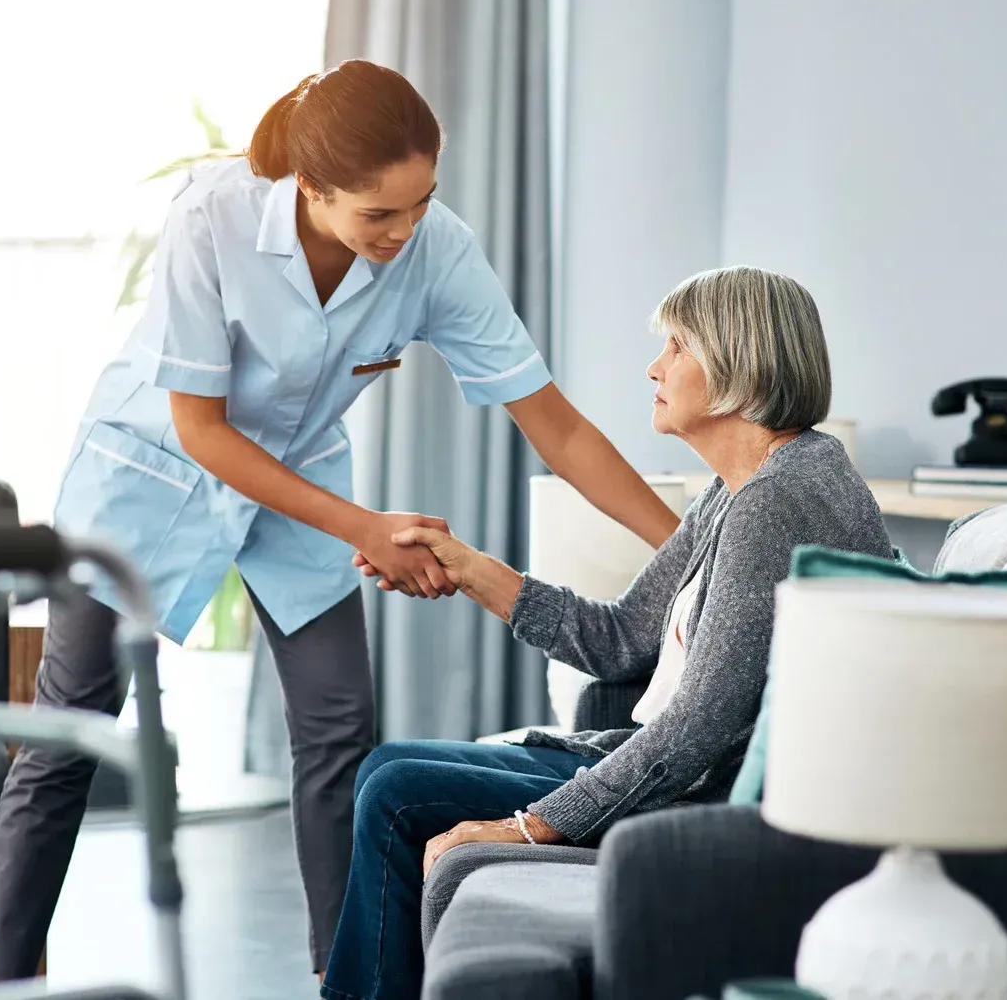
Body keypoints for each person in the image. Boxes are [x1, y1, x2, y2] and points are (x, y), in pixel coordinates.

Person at [0, 59, 682, 983]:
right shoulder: (213, 215)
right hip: (153, 474)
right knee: (73, 721)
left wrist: (689, 547)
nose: (405, 232)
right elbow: (202, 427)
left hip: (305, 478)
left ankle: (340, 978)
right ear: (309, 189)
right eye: (379, 215)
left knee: (337, 728)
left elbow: (553, 424)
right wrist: (364, 527)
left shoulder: (434, 246)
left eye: (422, 202)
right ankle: (8, 977)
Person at [318, 266, 896, 1000]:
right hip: (659, 770)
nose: (655, 367)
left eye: (678, 347)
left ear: (740, 367)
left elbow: (700, 726)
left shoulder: (775, 503)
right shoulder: (741, 487)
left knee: (396, 790)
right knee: (385, 769)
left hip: (694, 802)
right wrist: (470, 568)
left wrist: (534, 827)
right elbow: (621, 638)